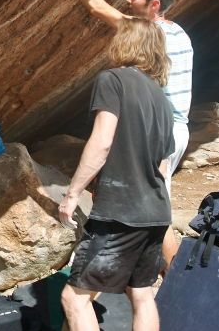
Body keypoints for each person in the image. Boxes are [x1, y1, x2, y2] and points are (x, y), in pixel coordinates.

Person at [55, 0, 191, 271]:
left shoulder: (147, 33)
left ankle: (164, 277)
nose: (128, 0)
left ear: (154, 5)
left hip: (157, 132)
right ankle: (146, 272)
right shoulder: (179, 32)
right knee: (153, 201)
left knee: (155, 210)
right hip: (176, 128)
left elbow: (95, 6)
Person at [59, 18, 174, 331]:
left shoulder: (113, 80)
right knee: (142, 294)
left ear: (125, 43)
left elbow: (102, 141)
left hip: (121, 213)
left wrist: (72, 195)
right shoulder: (162, 100)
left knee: (74, 299)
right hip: (155, 212)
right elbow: (162, 168)